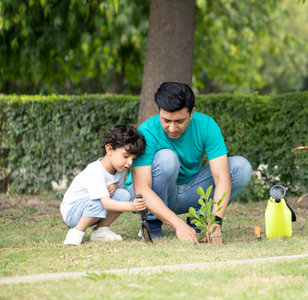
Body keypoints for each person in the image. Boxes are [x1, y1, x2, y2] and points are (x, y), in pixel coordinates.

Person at [127, 82, 253, 244]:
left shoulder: (207, 125)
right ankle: (152, 222)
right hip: (146, 197)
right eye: (166, 121)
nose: (172, 128)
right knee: (167, 158)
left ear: (192, 113)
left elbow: (221, 177)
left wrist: (215, 222)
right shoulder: (147, 131)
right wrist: (179, 226)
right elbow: (142, 189)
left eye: (179, 121)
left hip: (188, 192)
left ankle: (199, 221)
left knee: (240, 167)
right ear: (159, 112)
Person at [60, 125, 146, 245]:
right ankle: (76, 232)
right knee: (99, 200)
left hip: (93, 209)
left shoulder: (120, 169)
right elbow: (106, 203)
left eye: (133, 158)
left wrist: (115, 186)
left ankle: (101, 231)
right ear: (109, 149)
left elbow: (119, 197)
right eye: (126, 156)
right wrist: (132, 207)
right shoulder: (96, 170)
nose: (130, 162)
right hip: (73, 212)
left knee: (123, 195)